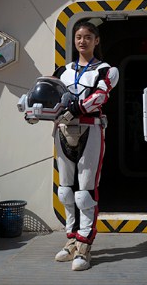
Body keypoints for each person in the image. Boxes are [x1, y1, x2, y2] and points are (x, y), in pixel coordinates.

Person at [28, 20, 118, 271]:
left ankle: (84, 245)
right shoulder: (62, 71)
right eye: (79, 37)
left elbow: (101, 95)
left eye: (88, 37)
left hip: (91, 128)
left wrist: (76, 108)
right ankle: (71, 240)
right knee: (65, 190)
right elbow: (48, 95)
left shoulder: (106, 70)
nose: (82, 41)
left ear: (96, 40)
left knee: (85, 191)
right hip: (63, 130)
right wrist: (34, 110)